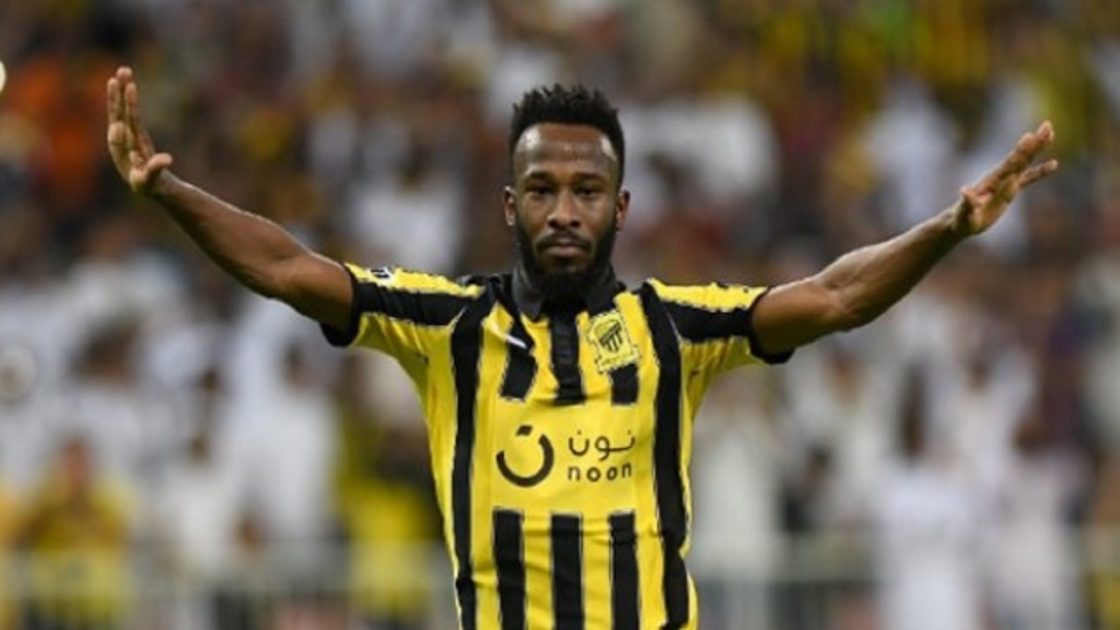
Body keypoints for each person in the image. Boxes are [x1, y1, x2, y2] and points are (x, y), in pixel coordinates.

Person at [105, 65, 1058, 630]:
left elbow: (837, 296)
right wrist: (169, 192)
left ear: (621, 207)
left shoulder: (676, 327)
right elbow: (287, 267)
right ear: (509, 204)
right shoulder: (447, 326)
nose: (565, 210)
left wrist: (947, 228)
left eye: (587, 191)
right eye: (543, 189)